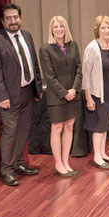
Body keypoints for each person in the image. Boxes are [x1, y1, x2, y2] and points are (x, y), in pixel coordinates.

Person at [0, 3, 43, 186]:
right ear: (2, 21)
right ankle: (7, 170)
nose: (13, 21)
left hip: (27, 92)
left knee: (23, 130)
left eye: (15, 17)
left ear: (20, 18)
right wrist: (2, 97)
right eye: (8, 18)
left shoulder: (26, 35)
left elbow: (34, 63)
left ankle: (19, 164)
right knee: (10, 132)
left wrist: (38, 88)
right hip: (8, 96)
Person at [38, 16, 82, 177]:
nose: (59, 29)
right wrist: (64, 93)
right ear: (51, 30)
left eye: (61, 26)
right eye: (55, 27)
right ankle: (58, 163)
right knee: (57, 128)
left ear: (66, 29)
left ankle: (65, 161)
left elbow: (78, 69)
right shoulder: (46, 49)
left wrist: (73, 90)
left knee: (69, 127)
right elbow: (49, 76)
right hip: (57, 97)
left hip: (73, 94)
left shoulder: (73, 45)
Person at [82, 16, 109, 170]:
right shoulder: (92, 48)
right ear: (97, 30)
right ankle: (97, 157)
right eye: (103, 28)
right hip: (97, 93)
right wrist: (88, 98)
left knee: (105, 124)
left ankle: (103, 153)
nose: (107, 31)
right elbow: (86, 75)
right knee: (98, 125)